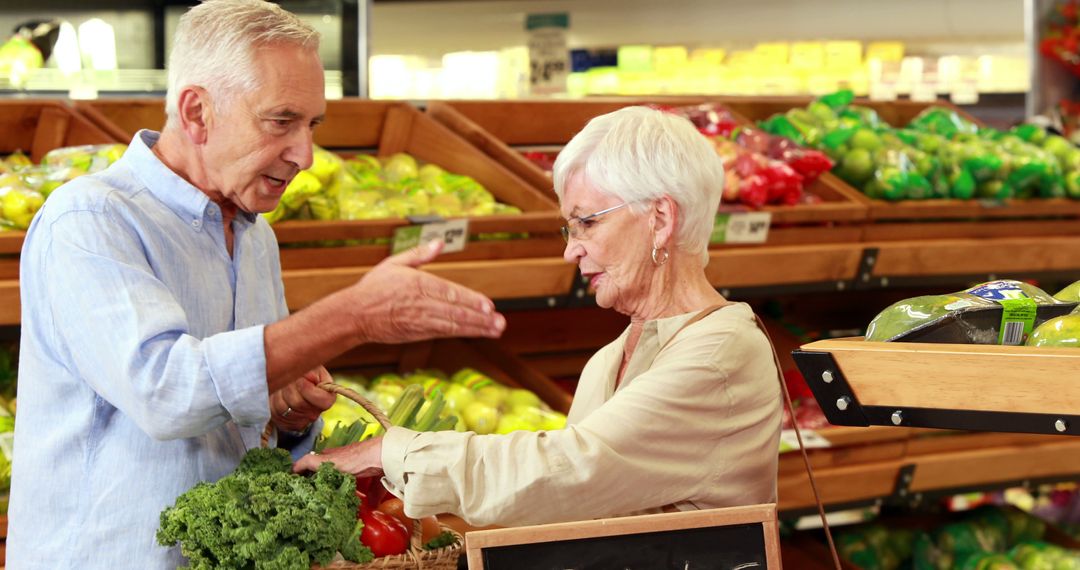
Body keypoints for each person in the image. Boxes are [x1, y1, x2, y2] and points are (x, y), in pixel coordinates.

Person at [6, 1, 504, 568]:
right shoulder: (91, 221)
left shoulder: (255, 236)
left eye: (312, 125)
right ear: (197, 112)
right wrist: (351, 318)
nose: (306, 155)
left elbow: (248, 424)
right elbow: (166, 392)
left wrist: (289, 415)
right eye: (281, 121)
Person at [296, 106, 782, 526]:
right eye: (567, 227)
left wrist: (391, 452)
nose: (571, 250)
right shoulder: (610, 359)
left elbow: (571, 471)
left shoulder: (722, 355)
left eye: (587, 222)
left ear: (660, 219)